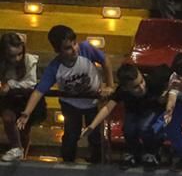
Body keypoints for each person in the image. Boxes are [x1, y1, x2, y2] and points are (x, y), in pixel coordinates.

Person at [17, 26, 111, 164]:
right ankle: (68, 162)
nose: (74, 49)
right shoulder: (55, 67)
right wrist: (26, 113)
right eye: (68, 48)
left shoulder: (85, 48)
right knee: (71, 136)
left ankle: (97, 162)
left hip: (93, 103)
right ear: (57, 50)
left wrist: (109, 85)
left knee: (95, 136)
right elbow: (39, 91)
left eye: (74, 44)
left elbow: (105, 61)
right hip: (70, 105)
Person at [82, 63, 171, 170]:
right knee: (129, 129)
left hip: (154, 112)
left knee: (144, 127)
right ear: (125, 88)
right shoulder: (122, 91)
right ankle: (134, 152)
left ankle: (152, 153)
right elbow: (107, 108)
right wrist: (92, 125)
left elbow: (169, 76)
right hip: (135, 112)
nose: (142, 87)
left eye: (142, 81)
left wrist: (165, 94)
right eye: (135, 87)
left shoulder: (153, 82)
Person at [0, 32, 41, 162]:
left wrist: (11, 84)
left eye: (19, 54)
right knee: (8, 118)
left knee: (23, 129)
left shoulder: (29, 60)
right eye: (12, 56)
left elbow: (31, 82)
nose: (17, 59)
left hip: (26, 98)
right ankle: (16, 148)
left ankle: (22, 155)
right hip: (9, 98)